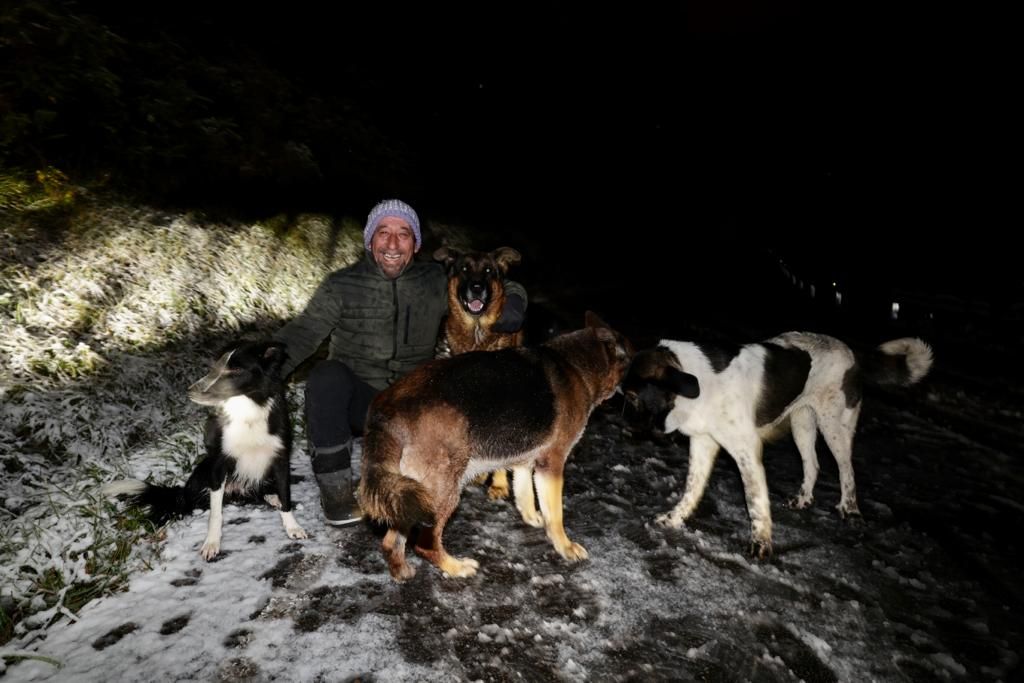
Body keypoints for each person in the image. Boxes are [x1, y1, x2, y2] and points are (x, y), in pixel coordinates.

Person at [273, 199, 527, 526]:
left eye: (403, 234)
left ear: (416, 243)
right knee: (326, 376)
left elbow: (492, 278)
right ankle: (336, 491)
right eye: (383, 232)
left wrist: (514, 302)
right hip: (361, 402)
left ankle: (421, 483)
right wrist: (258, 368)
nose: (393, 244)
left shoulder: (434, 281)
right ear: (369, 239)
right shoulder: (341, 284)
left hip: (411, 406)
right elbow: (303, 331)